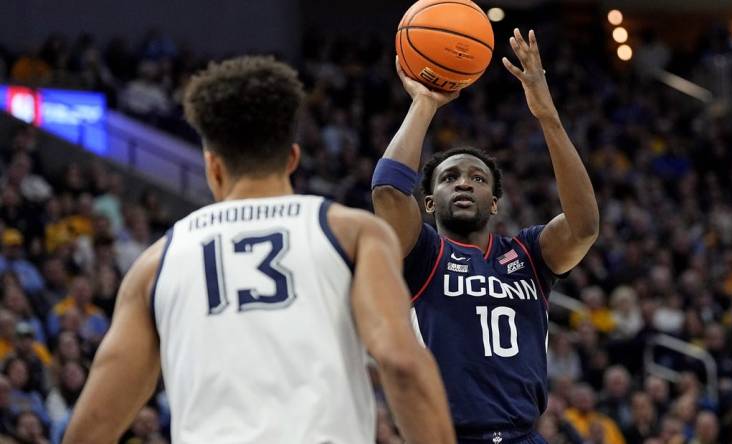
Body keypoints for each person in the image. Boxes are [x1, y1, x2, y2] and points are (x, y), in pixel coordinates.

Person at [64, 56, 454, 443]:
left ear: (212, 167)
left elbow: (94, 424)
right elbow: (401, 364)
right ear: (293, 158)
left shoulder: (154, 264)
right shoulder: (353, 234)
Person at [371, 28, 599, 442]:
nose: (463, 183)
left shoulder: (528, 254)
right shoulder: (422, 253)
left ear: (494, 203)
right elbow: (388, 191)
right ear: (427, 203)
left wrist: (548, 117)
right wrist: (425, 102)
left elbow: (584, 225)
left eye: (477, 178)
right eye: (449, 178)